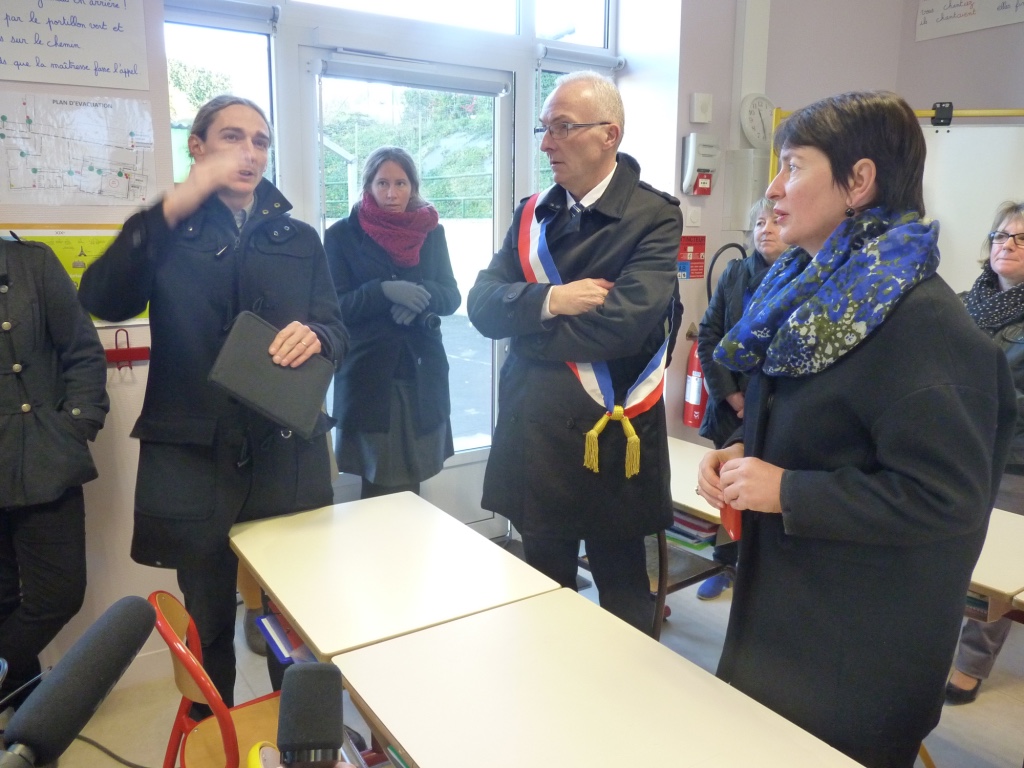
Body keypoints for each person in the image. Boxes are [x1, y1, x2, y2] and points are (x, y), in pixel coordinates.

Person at [696, 91, 1016, 768]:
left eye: (792, 167)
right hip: (786, 619)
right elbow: (819, 427)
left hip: (857, 655)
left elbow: (946, 498)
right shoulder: (811, 293)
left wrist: (787, 491)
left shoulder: (920, 322)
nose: (774, 189)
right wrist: (737, 455)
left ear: (859, 181)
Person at [78, 95, 348, 705]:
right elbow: (102, 296)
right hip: (195, 457)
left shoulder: (299, 238)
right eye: (232, 137)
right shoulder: (167, 232)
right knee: (207, 624)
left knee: (289, 622)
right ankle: (213, 738)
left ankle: (296, 736)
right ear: (197, 146)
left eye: (259, 140)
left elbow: (337, 329)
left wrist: (320, 336)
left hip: (284, 452)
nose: (249, 152)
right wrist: (174, 204)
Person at [468, 71, 682, 634]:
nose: (546, 144)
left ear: (609, 134)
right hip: (536, 437)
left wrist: (527, 328)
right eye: (545, 129)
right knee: (542, 600)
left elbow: (624, 328)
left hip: (611, 437)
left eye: (562, 128)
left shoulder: (654, 216)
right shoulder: (532, 213)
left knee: (625, 602)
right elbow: (482, 307)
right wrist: (554, 299)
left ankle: (629, 713)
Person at [0, 237, 108, 710]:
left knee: (59, 594)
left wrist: (77, 424)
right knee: (2, 598)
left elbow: (82, 351)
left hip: (41, 454)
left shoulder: (31, 262)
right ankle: (26, 719)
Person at [324, 147, 460, 499]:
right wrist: (384, 291)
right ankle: (381, 555)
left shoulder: (432, 232)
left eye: (400, 183)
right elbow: (334, 307)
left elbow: (451, 296)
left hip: (421, 375)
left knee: (412, 483)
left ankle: (407, 554)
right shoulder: (342, 235)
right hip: (370, 377)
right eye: (382, 183)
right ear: (367, 185)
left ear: (413, 187)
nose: (391, 193)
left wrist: (420, 295)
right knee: (381, 485)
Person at [945, 201, 1024, 705]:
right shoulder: (958, 302)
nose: (1007, 244)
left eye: (1021, 238)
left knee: (993, 563)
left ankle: (970, 663)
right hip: (955, 443)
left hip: (1013, 455)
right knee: (950, 546)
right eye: (1000, 235)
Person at [694, 198, 788, 600]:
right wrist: (733, 396)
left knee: (767, 495)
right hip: (733, 408)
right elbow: (709, 337)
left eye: (774, 221)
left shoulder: (808, 279)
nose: (765, 229)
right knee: (727, 489)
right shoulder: (736, 274)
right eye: (759, 223)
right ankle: (726, 562)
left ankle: (762, 574)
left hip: (781, 409)